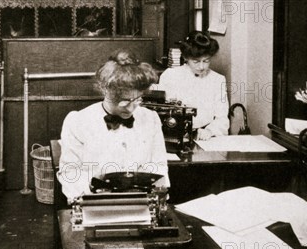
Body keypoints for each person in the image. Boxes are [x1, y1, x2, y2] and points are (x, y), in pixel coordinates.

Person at [57, 49, 170, 202]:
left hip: (140, 202)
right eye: (124, 101)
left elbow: (158, 165)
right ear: (105, 90)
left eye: (137, 99)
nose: (131, 108)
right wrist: (93, 200)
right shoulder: (78, 121)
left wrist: (155, 196)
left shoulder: (151, 118)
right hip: (94, 202)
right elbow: (70, 172)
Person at [156, 31, 229, 140]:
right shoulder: (170, 75)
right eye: (196, 61)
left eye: (206, 61)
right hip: (173, 133)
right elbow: (161, 111)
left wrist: (210, 131)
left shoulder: (218, 80)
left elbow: (222, 117)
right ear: (186, 58)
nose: (201, 66)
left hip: (204, 136)